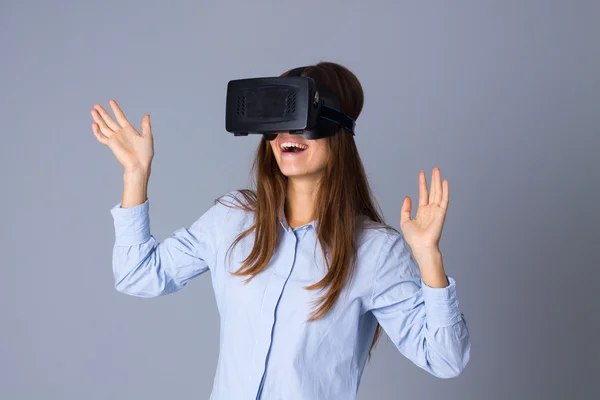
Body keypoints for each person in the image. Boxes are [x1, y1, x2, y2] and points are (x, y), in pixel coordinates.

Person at [91, 62, 470, 400]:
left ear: (337, 129)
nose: (289, 131)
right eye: (279, 117)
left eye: (303, 116)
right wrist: (135, 175)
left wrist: (428, 258)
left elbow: (445, 359)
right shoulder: (231, 219)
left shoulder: (375, 250)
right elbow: (137, 275)